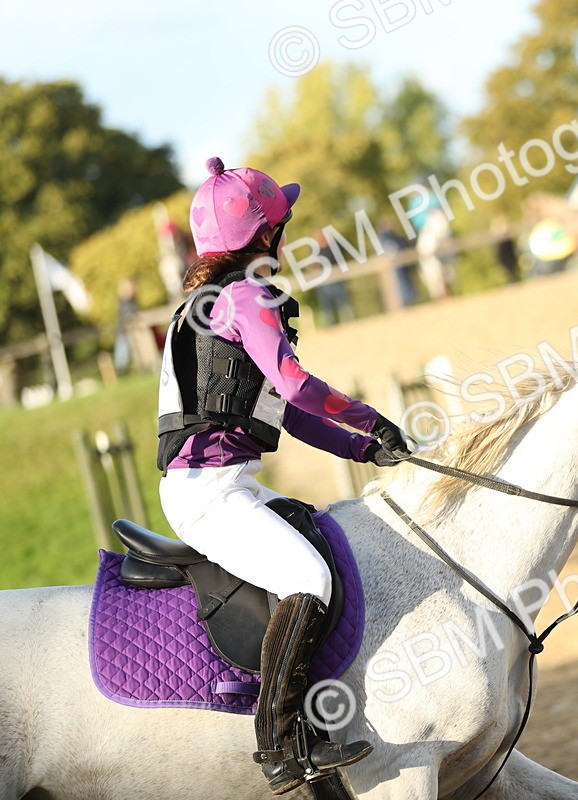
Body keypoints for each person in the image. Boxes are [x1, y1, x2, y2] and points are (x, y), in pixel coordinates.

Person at [157, 157, 411, 794]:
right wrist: (371, 417)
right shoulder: (247, 296)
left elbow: (289, 416)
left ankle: (317, 714)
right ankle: (276, 741)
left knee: (317, 535)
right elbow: (296, 386)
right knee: (308, 575)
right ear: (264, 235)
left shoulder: (207, 305)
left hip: (224, 482)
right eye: (282, 225)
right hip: (210, 491)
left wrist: (366, 451)